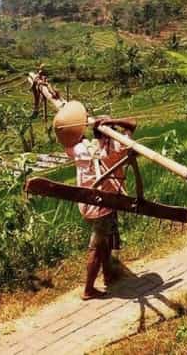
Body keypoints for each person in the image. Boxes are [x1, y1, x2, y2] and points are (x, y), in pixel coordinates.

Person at [65, 116, 137, 300]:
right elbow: (132, 124)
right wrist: (114, 122)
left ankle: (108, 274)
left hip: (87, 205)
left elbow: (69, 139)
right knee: (96, 248)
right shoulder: (115, 150)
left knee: (104, 241)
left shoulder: (81, 149)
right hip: (102, 207)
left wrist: (73, 119)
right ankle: (88, 289)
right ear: (109, 134)